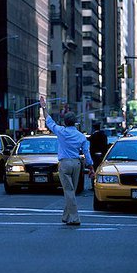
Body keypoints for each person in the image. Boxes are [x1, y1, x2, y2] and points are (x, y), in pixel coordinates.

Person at [40, 96, 94, 226]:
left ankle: (74, 218)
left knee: (69, 192)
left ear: (65, 122)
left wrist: (44, 108)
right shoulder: (81, 136)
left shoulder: (61, 131)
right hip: (76, 164)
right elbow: (86, 153)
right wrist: (91, 167)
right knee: (72, 191)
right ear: (75, 122)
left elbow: (49, 121)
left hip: (64, 164)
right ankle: (66, 216)